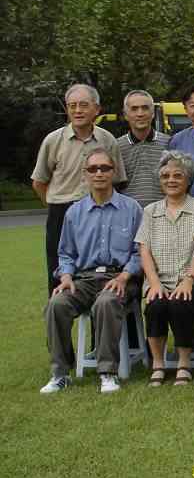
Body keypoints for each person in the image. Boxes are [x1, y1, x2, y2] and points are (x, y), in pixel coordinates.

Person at [40, 148, 143, 395]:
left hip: (120, 277)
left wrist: (124, 276)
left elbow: (141, 252)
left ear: (113, 172)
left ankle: (107, 373)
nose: (99, 173)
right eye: (93, 169)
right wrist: (66, 277)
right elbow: (65, 253)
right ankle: (60, 374)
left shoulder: (132, 209)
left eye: (104, 168)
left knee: (107, 302)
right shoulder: (74, 212)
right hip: (83, 278)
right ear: (85, 174)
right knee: (56, 305)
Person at [32, 83, 126, 294]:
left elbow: (118, 180)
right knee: (58, 274)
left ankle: (98, 314)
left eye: (84, 105)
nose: (77, 110)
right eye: (72, 105)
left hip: (100, 212)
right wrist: (55, 207)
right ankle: (58, 312)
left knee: (97, 272)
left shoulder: (107, 140)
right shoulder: (53, 141)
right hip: (61, 212)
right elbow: (39, 182)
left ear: (97, 109)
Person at [137, 151, 194, 387]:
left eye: (178, 175)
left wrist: (189, 279)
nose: (171, 180)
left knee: (181, 304)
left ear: (188, 179)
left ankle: (183, 363)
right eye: (166, 176)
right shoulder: (150, 211)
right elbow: (144, 250)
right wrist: (154, 283)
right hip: (159, 279)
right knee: (156, 306)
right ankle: (158, 364)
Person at [117, 89, 170, 207]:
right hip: (128, 213)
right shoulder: (116, 146)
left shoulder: (169, 143)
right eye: (134, 109)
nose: (140, 113)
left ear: (153, 113)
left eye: (145, 108)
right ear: (125, 115)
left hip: (163, 212)